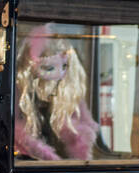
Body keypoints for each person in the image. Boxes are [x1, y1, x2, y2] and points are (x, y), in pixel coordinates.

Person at [14, 22, 99, 161]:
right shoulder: (19, 98)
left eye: (65, 66)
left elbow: (80, 137)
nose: (59, 75)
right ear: (30, 68)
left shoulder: (70, 98)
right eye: (48, 68)